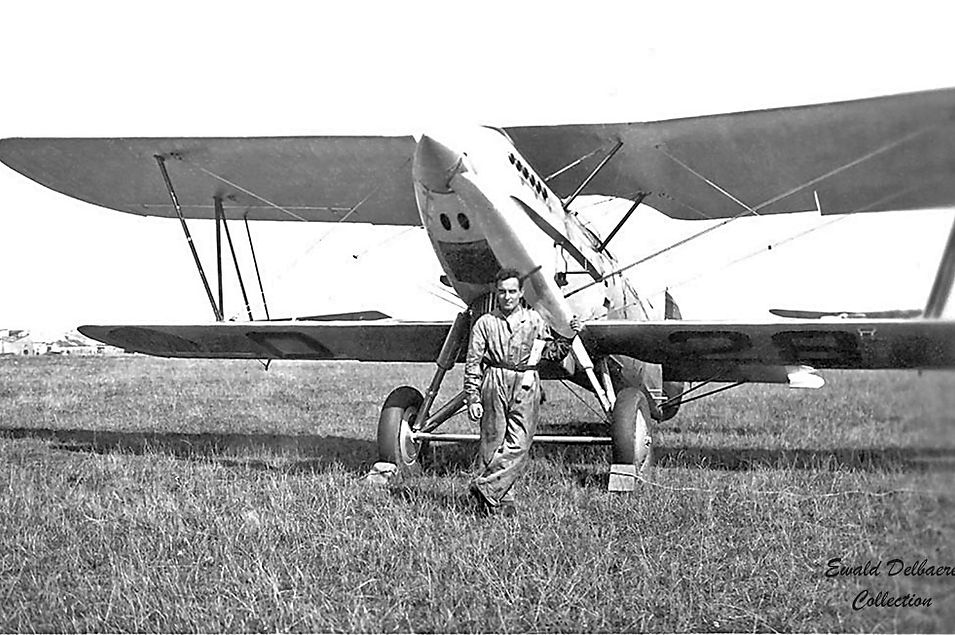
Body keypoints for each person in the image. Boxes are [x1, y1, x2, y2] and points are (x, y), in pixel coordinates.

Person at [465, 268, 581, 516]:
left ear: (520, 294)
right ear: (496, 293)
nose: (507, 297)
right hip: (494, 379)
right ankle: (500, 501)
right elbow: (473, 362)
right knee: (492, 441)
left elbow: (551, 353)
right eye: (502, 292)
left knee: (520, 443)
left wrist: (570, 335)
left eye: (512, 292)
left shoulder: (535, 320)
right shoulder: (485, 323)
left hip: (527, 380)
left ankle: (485, 486)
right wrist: (472, 397)